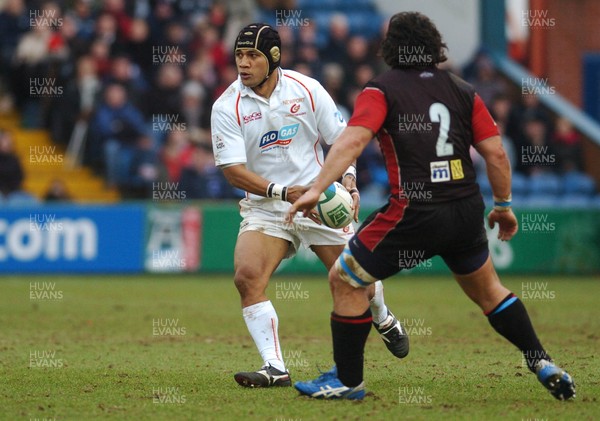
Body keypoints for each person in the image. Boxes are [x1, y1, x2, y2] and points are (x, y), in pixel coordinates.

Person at [288, 12, 575, 401]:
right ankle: (542, 361)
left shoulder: (381, 89)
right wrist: (504, 206)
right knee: (490, 291)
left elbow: (351, 142)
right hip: (464, 208)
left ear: (392, 47)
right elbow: (496, 154)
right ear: (432, 44)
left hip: (415, 211)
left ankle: (347, 380)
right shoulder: (461, 89)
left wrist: (316, 187)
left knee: (344, 278)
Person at [210, 23, 408, 389]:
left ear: (272, 58)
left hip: (320, 198)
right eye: (239, 55)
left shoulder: (307, 89)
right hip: (269, 205)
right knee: (247, 276)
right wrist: (283, 193)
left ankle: (382, 315)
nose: (243, 63)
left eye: (252, 55)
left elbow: (342, 140)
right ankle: (275, 367)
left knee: (356, 281)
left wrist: (347, 180)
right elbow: (233, 172)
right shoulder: (226, 106)